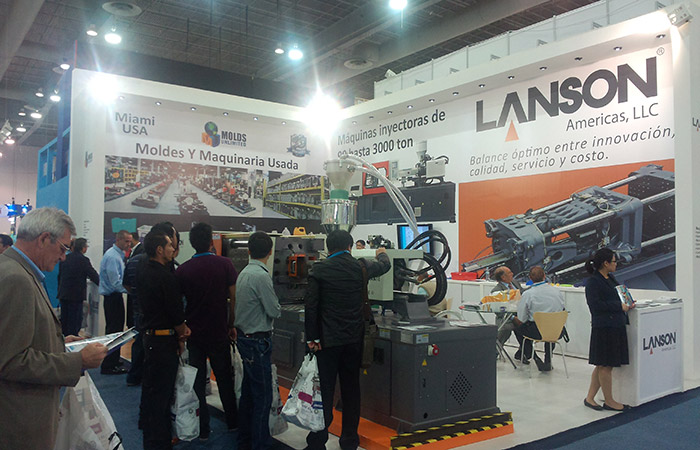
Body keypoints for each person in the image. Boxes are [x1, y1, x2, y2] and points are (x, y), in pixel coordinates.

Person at [0, 207, 107, 449]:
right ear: (44, 239)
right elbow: (10, 360)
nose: (63, 257)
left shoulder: (17, 270)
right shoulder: (17, 279)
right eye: (63, 248)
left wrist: (58, 344)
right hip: (19, 421)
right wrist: (77, 361)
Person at [305, 230, 391, 450]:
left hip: (326, 342)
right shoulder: (360, 267)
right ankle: (349, 441)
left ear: (328, 248)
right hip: (354, 340)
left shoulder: (319, 270)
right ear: (350, 247)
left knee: (323, 391)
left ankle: (317, 442)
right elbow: (385, 265)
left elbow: (311, 307)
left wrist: (312, 338)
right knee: (351, 390)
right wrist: (381, 253)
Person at [176, 222, 239, 440]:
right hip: (219, 331)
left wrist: (183, 328)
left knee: (197, 382)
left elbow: (177, 303)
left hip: (194, 334)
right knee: (224, 379)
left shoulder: (183, 270)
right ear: (211, 241)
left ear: (191, 243)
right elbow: (234, 298)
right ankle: (233, 422)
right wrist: (231, 324)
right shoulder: (225, 264)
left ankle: (203, 429)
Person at [138, 229, 191, 449]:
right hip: (163, 343)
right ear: (159, 249)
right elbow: (175, 312)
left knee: (153, 394)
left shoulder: (143, 272)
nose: (173, 248)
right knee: (162, 396)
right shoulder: (166, 277)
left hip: (151, 340)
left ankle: (152, 439)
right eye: (170, 245)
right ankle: (159, 443)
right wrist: (183, 333)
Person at [234, 231, 281, 450]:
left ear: (249, 250)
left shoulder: (244, 272)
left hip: (245, 339)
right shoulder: (261, 276)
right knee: (263, 397)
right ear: (270, 252)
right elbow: (274, 310)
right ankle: (260, 444)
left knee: (249, 394)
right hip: (257, 343)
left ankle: (244, 439)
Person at [583, 248, 634, 412]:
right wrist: (619, 306)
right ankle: (609, 400)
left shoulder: (610, 278)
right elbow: (595, 306)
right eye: (613, 261)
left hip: (614, 325)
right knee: (605, 366)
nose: (616, 264)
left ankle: (590, 398)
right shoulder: (593, 282)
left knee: (602, 365)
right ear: (605, 263)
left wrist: (627, 302)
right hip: (604, 327)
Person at [513, 266, 565, 371]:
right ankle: (548, 359)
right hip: (557, 330)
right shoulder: (556, 291)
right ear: (544, 276)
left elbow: (522, 318)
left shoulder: (528, 294)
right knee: (549, 328)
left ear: (530, 278)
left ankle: (534, 357)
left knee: (517, 327)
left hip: (536, 332)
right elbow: (562, 308)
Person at [99, 229, 133, 374]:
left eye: (130, 241)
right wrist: (132, 291)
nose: (129, 244)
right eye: (126, 241)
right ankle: (109, 365)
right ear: (118, 240)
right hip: (113, 298)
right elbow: (115, 282)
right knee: (114, 332)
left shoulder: (117, 255)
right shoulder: (113, 257)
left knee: (117, 330)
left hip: (115, 297)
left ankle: (114, 359)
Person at [57, 237, 100, 336]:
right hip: (76, 295)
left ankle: (64, 340)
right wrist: (102, 284)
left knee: (65, 320)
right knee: (74, 322)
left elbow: (60, 276)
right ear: (83, 248)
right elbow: (93, 275)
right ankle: (72, 341)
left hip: (64, 294)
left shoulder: (65, 258)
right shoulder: (84, 260)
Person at [490, 266, 525, 348]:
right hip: (507, 317)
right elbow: (498, 311)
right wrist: (513, 318)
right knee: (505, 328)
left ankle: (525, 352)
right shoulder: (496, 290)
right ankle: (495, 351)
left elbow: (523, 293)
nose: (512, 274)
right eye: (509, 273)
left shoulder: (515, 283)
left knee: (529, 327)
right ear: (503, 277)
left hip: (521, 314)